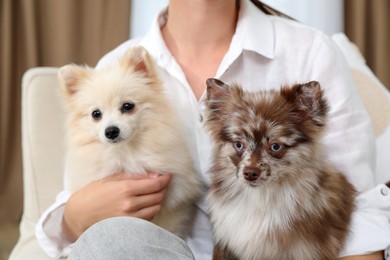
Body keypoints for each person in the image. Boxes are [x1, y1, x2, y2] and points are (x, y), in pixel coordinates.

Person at [36, 0, 390, 259]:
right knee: (114, 241)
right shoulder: (117, 68)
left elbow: (354, 210)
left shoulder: (307, 51)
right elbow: (85, 208)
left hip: (281, 250)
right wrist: (73, 217)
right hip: (147, 250)